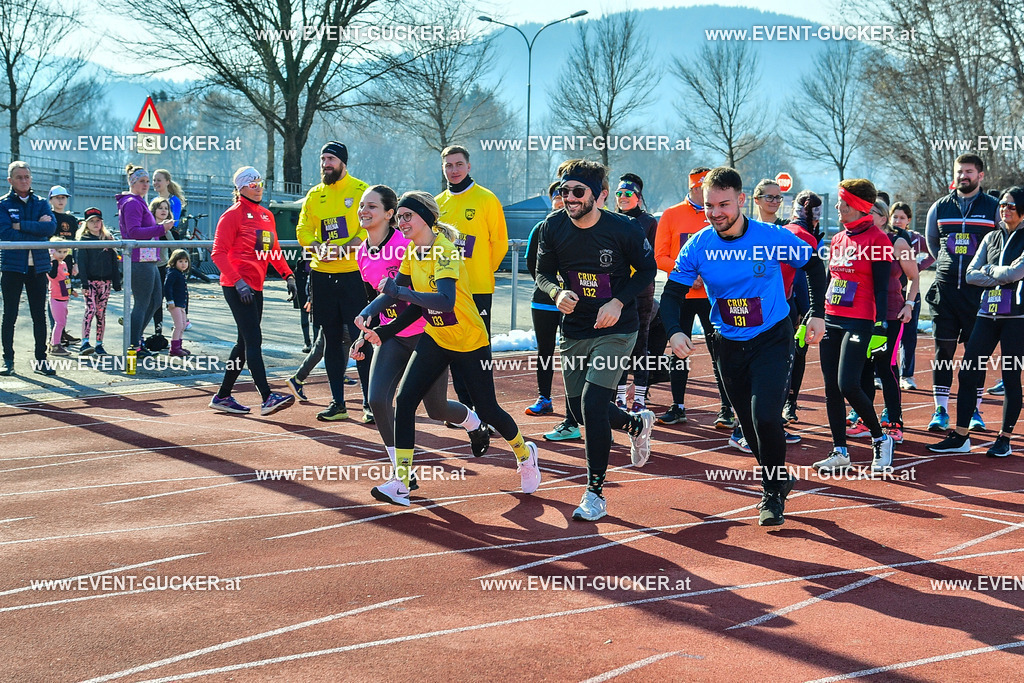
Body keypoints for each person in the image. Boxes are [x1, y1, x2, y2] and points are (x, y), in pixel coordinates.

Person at [660, 166, 827, 526]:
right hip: (727, 343)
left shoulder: (771, 236)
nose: (716, 212)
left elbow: (814, 266)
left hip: (772, 337)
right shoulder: (699, 244)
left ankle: (771, 494)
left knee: (766, 416)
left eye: (723, 204)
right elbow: (672, 293)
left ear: (740, 200)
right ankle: (781, 476)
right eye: (709, 205)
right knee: (749, 426)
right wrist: (674, 330)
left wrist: (816, 313)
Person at [358, 191, 540, 506]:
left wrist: (400, 290)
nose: (401, 222)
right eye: (399, 216)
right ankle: (401, 483)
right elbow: (410, 304)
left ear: (426, 218)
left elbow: (444, 301)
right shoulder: (413, 253)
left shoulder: (444, 252)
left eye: (407, 216)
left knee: (488, 409)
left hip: (469, 341)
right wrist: (377, 324)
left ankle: (525, 453)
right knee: (404, 400)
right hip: (437, 338)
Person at [535, 159, 657, 522]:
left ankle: (595, 493)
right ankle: (636, 424)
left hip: (617, 327)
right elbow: (541, 272)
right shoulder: (552, 227)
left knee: (592, 403)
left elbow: (648, 270)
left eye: (577, 191)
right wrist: (556, 292)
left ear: (599, 196)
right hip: (575, 326)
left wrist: (619, 302)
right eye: (562, 191)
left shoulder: (624, 229)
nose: (568, 198)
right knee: (580, 411)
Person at [350, 185, 490, 477]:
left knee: (436, 410)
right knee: (377, 400)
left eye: (372, 206)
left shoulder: (407, 243)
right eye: (362, 205)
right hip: (392, 335)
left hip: (424, 333)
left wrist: (399, 295)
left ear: (390, 214)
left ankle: (473, 422)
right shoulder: (362, 253)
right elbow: (379, 295)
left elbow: (419, 292)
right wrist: (366, 321)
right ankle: (402, 473)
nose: (364, 210)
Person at [928, 187, 1024, 457]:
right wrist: (1001, 275)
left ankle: (1004, 438)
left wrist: (993, 272)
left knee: (1010, 375)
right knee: (968, 372)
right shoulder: (991, 237)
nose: (1005, 210)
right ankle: (960, 435)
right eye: (1003, 205)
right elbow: (971, 274)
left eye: (1011, 206)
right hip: (987, 313)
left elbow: (1018, 271)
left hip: (1017, 317)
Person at [812, 179, 897, 475]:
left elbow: (883, 289)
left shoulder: (878, 240)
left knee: (848, 383)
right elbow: (829, 279)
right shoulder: (837, 239)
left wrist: (881, 325)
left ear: (859, 206)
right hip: (831, 317)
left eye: (843, 203)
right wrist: (816, 315)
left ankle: (880, 438)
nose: (837, 207)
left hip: (860, 320)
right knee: (830, 388)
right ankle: (840, 451)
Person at [209, 166, 297, 416]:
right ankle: (267, 397)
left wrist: (288, 275)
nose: (258, 188)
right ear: (241, 188)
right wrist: (238, 282)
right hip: (238, 287)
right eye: (253, 184)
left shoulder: (266, 216)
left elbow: (272, 250)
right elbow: (218, 253)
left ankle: (223, 395)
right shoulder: (232, 215)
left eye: (260, 183)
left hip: (255, 286)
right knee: (253, 341)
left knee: (243, 344)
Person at [295, 141, 372, 422]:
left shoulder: (361, 191)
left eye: (331, 159)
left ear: (342, 162)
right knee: (330, 339)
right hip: (322, 276)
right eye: (323, 158)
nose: (326, 163)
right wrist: (316, 246)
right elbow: (302, 228)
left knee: (362, 337)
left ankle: (369, 403)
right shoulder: (315, 195)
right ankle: (338, 403)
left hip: (354, 274)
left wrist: (347, 247)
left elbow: (371, 226)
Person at [924, 153, 1000, 431]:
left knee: (975, 354)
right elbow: (933, 242)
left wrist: (985, 273)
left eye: (969, 172)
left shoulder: (993, 207)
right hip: (945, 292)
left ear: (980, 176)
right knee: (943, 350)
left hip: (978, 293)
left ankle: (975, 411)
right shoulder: (940, 207)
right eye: (959, 171)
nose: (963, 176)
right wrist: (948, 263)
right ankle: (940, 410)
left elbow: (1002, 242)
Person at [653, 167, 733, 427]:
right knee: (679, 351)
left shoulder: (721, 217)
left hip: (714, 296)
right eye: (698, 188)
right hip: (682, 295)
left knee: (720, 350)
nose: (702, 193)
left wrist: (708, 275)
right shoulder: (671, 214)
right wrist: (686, 272)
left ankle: (726, 408)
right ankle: (677, 406)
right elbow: (660, 256)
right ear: (692, 188)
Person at [435, 145, 509, 413]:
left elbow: (499, 243)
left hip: (477, 288)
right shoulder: (438, 203)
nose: (453, 170)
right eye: (448, 165)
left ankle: (485, 408)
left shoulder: (486, 199)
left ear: (469, 167)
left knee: (477, 351)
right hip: (446, 290)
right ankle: (465, 409)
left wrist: (482, 272)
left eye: (458, 164)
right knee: (452, 347)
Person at [847, 200, 920, 444]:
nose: (866, 216)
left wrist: (909, 305)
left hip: (890, 313)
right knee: (864, 366)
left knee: (885, 366)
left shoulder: (898, 242)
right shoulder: (860, 240)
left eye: (872, 213)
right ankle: (865, 419)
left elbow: (914, 276)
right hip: (862, 312)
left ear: (883, 217)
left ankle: (894, 422)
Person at [526, 182, 582, 440]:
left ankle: (576, 408)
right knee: (545, 351)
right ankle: (544, 398)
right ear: (551, 200)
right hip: (544, 300)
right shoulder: (542, 228)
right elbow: (532, 264)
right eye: (557, 196)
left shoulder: (579, 226)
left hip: (574, 302)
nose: (561, 200)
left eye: (565, 195)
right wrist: (551, 288)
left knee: (573, 353)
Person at [0, 161, 57, 376]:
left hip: (39, 268)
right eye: (19, 177)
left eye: (27, 177)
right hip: (12, 267)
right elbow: (6, 233)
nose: (24, 180)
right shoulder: (3, 204)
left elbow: (50, 228)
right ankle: (8, 360)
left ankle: (41, 360)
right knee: (10, 315)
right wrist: (36, 229)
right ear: (10, 181)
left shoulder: (42, 203)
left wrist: (21, 225)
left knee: (39, 315)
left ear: (31, 179)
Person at [118, 164, 175, 359]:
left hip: (149, 258)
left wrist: (159, 228)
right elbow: (133, 232)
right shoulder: (132, 203)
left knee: (155, 300)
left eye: (148, 181)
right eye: (142, 181)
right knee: (143, 302)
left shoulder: (139, 202)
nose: (146, 184)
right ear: (133, 183)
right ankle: (133, 343)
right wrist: (160, 229)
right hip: (139, 259)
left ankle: (134, 338)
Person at [613, 173, 658, 413]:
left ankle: (639, 396)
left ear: (638, 198)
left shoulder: (649, 222)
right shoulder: (609, 219)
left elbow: (651, 258)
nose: (622, 197)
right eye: (618, 193)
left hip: (641, 290)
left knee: (640, 343)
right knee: (619, 343)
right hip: (616, 291)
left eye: (627, 193)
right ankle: (619, 397)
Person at [779, 190, 824, 424]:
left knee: (780, 358)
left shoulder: (783, 231)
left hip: (780, 301)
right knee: (794, 356)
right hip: (794, 303)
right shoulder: (807, 237)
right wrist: (810, 312)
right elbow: (803, 278)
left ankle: (785, 406)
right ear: (815, 217)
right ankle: (788, 405)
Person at [890, 201, 932, 390]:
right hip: (891, 292)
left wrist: (918, 267)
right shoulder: (886, 237)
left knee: (909, 336)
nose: (898, 221)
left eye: (902, 218)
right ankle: (879, 373)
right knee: (886, 334)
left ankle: (907, 375)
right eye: (895, 217)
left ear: (909, 220)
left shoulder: (915, 239)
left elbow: (933, 251)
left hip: (910, 291)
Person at [75, 207, 119, 355]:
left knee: (101, 312)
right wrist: (84, 283)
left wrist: (116, 280)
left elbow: (114, 261)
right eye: (91, 221)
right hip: (90, 282)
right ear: (86, 224)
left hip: (105, 282)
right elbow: (82, 263)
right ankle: (85, 341)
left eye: (98, 221)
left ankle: (99, 343)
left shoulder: (108, 239)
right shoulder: (84, 240)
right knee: (91, 309)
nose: (95, 224)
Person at [47, 185, 79, 346]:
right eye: (57, 198)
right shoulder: (49, 216)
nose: (61, 200)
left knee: (64, 295)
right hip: (52, 262)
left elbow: (74, 244)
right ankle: (54, 334)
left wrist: (74, 262)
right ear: (51, 199)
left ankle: (62, 331)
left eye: (63, 197)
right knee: (54, 296)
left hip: (66, 262)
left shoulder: (71, 220)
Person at [148, 196, 174, 344]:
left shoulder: (168, 227)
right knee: (148, 301)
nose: (164, 210)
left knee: (159, 301)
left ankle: (158, 332)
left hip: (163, 267)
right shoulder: (148, 225)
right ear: (154, 210)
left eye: (166, 208)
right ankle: (135, 326)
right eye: (160, 208)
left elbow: (174, 247)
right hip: (149, 266)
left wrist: (166, 229)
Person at [46, 238, 76, 356]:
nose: (62, 255)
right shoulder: (52, 264)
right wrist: (53, 260)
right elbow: (52, 276)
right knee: (59, 323)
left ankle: (56, 343)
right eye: (59, 252)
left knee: (62, 322)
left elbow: (65, 279)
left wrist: (71, 290)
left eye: (65, 252)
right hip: (56, 297)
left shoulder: (63, 264)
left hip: (64, 297)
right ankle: (55, 345)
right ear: (52, 251)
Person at [164, 249, 192, 357]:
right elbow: (167, 287)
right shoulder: (173, 273)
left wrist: (186, 308)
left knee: (183, 325)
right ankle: (174, 348)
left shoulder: (181, 274)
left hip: (181, 304)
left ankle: (179, 345)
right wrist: (170, 300)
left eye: (186, 261)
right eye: (180, 261)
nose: (183, 264)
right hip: (174, 304)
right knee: (178, 325)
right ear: (174, 261)